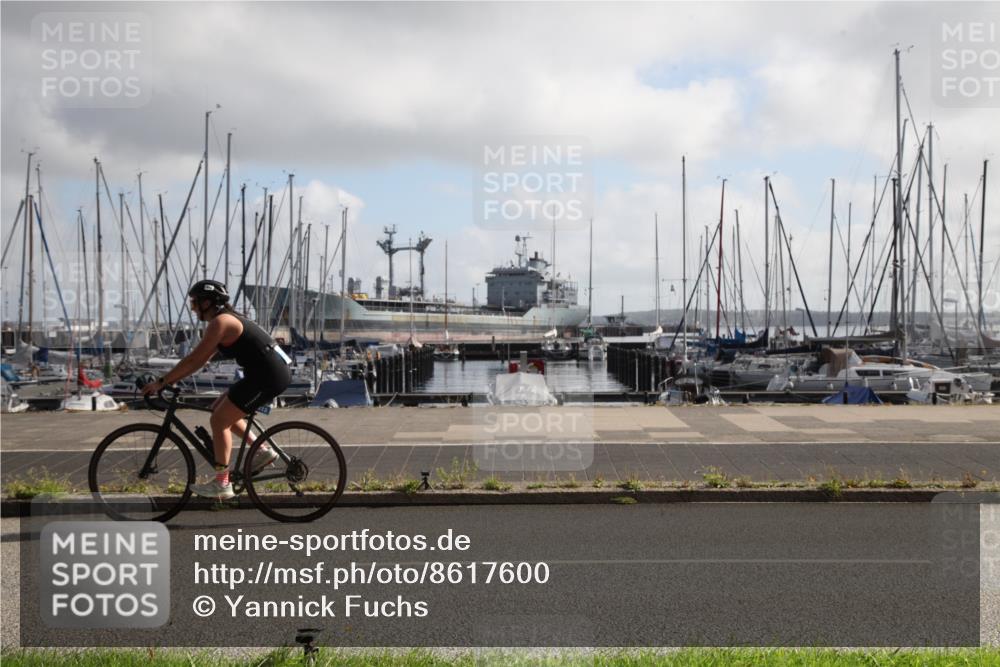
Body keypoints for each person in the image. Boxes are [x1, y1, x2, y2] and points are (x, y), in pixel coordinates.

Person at [141, 280, 292, 499]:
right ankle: (262, 451)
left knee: (219, 421)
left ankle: (223, 484)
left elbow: (194, 359)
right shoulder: (224, 321)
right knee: (218, 408)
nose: (192, 307)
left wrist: (162, 382)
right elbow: (199, 361)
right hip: (263, 374)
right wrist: (170, 380)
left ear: (207, 302)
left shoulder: (220, 323)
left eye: (194, 302)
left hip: (268, 376)